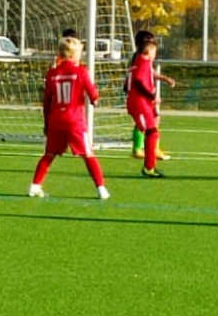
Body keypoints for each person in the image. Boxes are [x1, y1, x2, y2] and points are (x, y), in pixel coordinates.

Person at [30, 36, 110, 200]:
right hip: (75, 121)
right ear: (74, 55)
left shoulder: (52, 73)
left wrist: (46, 123)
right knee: (88, 154)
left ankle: (35, 186)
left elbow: (47, 102)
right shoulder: (80, 72)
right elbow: (93, 94)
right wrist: (95, 99)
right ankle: (101, 188)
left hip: (56, 120)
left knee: (49, 154)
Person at [125, 30, 176, 177]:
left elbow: (140, 77)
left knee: (152, 130)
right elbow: (139, 80)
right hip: (139, 103)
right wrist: (152, 94)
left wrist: (164, 79)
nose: (155, 55)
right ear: (148, 50)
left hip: (142, 103)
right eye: (154, 52)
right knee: (151, 132)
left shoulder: (142, 61)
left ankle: (150, 164)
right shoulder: (142, 61)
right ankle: (147, 165)